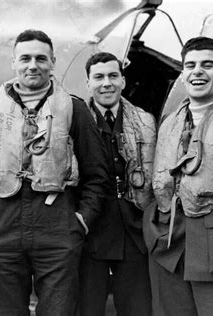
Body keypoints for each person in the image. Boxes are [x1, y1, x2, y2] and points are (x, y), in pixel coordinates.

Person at [0, 29, 110, 315]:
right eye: (25, 58)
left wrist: (79, 221)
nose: (33, 65)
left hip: (57, 223)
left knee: (58, 310)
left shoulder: (74, 109)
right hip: (0, 221)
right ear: (14, 62)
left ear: (52, 61)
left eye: (41, 58)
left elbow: (96, 174)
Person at [144, 36, 213, 315]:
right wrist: (152, 231)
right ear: (183, 74)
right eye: (190, 65)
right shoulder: (170, 120)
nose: (197, 71)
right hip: (169, 251)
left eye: (207, 65)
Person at [78, 52, 155, 315]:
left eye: (113, 76)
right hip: (91, 232)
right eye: (98, 77)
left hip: (133, 230)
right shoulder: (75, 121)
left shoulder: (145, 121)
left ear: (123, 80)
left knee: (138, 308)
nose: (106, 83)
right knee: (88, 307)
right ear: (88, 83)